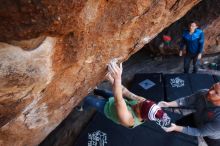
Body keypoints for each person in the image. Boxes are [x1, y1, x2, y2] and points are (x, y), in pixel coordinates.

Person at [82, 59, 171, 128]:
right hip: (117, 101)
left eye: (139, 106)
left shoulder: (129, 121)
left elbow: (119, 101)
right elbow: (125, 92)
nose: (138, 102)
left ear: (142, 115)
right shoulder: (143, 102)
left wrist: (117, 78)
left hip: (109, 109)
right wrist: (110, 78)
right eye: (141, 102)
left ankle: (82, 107)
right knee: (103, 92)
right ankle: (94, 91)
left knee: (89, 100)